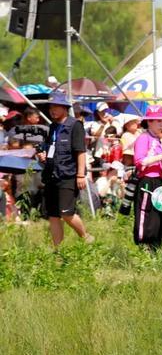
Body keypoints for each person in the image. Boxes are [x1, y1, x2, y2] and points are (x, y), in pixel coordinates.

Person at [36, 92, 94, 246]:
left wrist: (80, 175)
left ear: (65, 108)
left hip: (68, 175)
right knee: (53, 215)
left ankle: (86, 237)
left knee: (66, 213)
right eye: (50, 107)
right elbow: (52, 148)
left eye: (55, 106)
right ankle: (58, 251)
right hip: (52, 175)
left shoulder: (75, 125)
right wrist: (44, 156)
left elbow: (80, 151)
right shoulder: (53, 127)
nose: (52, 110)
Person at [133, 105, 162, 250]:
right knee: (147, 215)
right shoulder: (144, 138)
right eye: (158, 121)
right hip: (148, 181)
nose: (161, 124)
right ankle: (144, 247)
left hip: (160, 181)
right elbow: (140, 161)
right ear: (149, 122)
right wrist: (160, 157)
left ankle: (156, 248)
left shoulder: (158, 140)